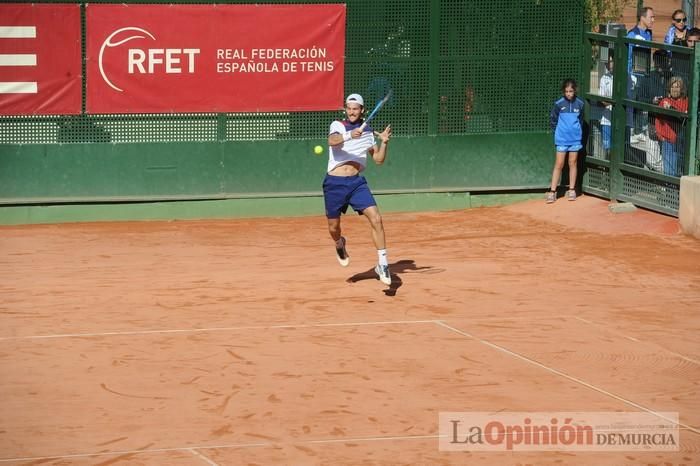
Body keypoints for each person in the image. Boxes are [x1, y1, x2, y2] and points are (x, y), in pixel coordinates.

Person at [324, 93, 393, 285]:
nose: (352, 111)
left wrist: (384, 143)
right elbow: (332, 141)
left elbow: (378, 160)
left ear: (362, 110)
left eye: (355, 108)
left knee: (376, 218)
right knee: (334, 228)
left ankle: (383, 263)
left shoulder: (369, 132)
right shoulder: (338, 125)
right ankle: (339, 243)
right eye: (349, 108)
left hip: (356, 183)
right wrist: (349, 135)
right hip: (334, 184)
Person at [547, 79, 584, 203]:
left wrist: (578, 133)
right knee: (559, 164)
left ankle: (572, 189)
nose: (569, 93)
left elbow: (581, 120)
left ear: (575, 91)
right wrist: (557, 133)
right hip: (562, 139)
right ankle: (552, 192)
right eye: (567, 91)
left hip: (575, 139)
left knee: (572, 163)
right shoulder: (559, 104)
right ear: (564, 91)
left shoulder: (580, 104)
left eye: (571, 91)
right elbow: (553, 120)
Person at [655, 76, 688, 176]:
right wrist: (660, 136)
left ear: (681, 89)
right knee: (669, 169)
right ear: (669, 88)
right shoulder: (664, 101)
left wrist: (671, 108)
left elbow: (682, 117)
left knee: (679, 168)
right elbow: (657, 120)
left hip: (680, 141)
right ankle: (668, 189)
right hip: (667, 140)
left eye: (677, 87)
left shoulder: (686, 101)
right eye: (672, 87)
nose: (674, 89)